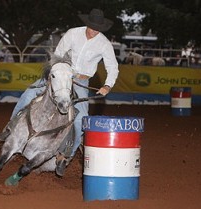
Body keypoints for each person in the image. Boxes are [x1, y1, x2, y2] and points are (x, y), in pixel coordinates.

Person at [9, 8, 119, 176]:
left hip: (81, 81)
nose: (94, 31)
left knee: (80, 120)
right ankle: (11, 128)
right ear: (87, 24)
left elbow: (113, 67)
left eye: (97, 28)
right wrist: (54, 73)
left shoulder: (104, 44)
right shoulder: (73, 34)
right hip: (62, 74)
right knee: (28, 95)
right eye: (92, 27)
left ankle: (65, 156)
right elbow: (58, 54)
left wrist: (107, 86)